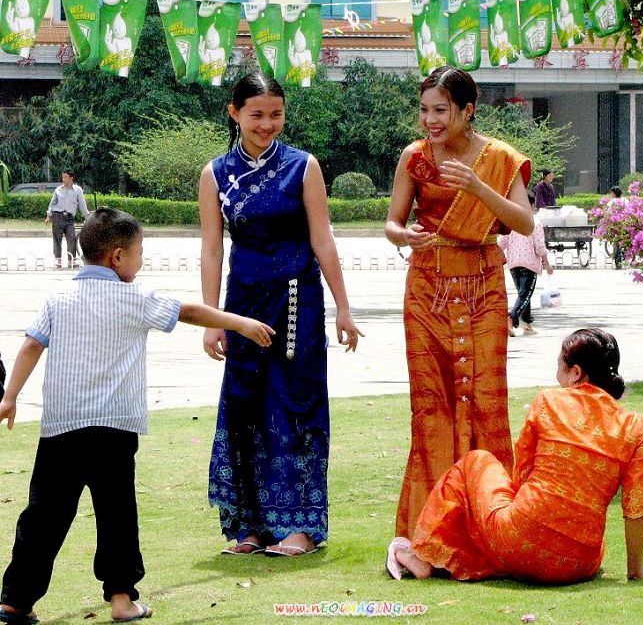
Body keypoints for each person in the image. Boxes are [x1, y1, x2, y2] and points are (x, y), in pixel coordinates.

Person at [0, 207, 274, 625]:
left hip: (61, 428)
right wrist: (239, 323)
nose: (141, 260)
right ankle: (122, 600)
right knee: (117, 517)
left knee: (43, 517)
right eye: (139, 252)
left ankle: (15, 601)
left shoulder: (58, 298)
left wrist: (10, 396)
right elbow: (191, 312)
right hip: (113, 429)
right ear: (116, 257)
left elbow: (32, 346)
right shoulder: (136, 297)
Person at [199, 73, 361, 557]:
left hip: (297, 302)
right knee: (245, 407)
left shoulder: (303, 166)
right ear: (234, 113)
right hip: (241, 304)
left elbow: (323, 239)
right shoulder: (214, 174)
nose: (267, 124)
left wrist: (344, 309)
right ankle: (250, 526)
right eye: (257, 115)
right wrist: (212, 319)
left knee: (295, 406)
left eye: (276, 114)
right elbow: (211, 251)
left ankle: (301, 527)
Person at [387, 329, 643, 585]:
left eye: (560, 364)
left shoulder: (549, 401)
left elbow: (522, 472)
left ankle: (422, 558)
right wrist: (636, 572)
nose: (556, 371)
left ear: (576, 373)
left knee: (476, 461)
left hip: (519, 542)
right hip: (580, 563)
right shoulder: (636, 427)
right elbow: (637, 508)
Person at [385, 66, 534, 539]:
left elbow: (524, 225)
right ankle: (430, 529)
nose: (430, 120)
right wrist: (403, 235)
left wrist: (477, 186)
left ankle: (489, 526)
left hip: (484, 283)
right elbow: (392, 222)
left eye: (440, 110)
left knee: (487, 401)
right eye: (425, 109)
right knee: (432, 404)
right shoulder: (414, 157)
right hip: (426, 285)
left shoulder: (500, 159)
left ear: (467, 111)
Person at [498, 192, 554, 337]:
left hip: (513, 263)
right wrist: (547, 264)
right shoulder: (534, 221)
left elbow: (501, 243)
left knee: (522, 294)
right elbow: (540, 246)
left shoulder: (511, 220)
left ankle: (527, 323)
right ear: (533, 205)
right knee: (525, 294)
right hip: (529, 263)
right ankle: (511, 317)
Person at [44, 170, 91, 269]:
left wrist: (88, 217)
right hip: (57, 216)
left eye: (65, 177)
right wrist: (49, 216)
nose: (63, 179)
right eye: (62, 177)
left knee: (72, 238)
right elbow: (52, 203)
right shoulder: (58, 189)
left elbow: (82, 205)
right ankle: (58, 260)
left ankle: (71, 260)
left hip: (69, 218)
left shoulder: (77, 190)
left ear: (71, 178)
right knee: (57, 239)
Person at [606, 186, 624, 269]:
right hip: (625, 224)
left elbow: (608, 213)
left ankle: (618, 264)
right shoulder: (625, 200)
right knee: (624, 243)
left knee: (616, 244)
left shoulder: (612, 202)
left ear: (613, 193)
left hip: (616, 225)